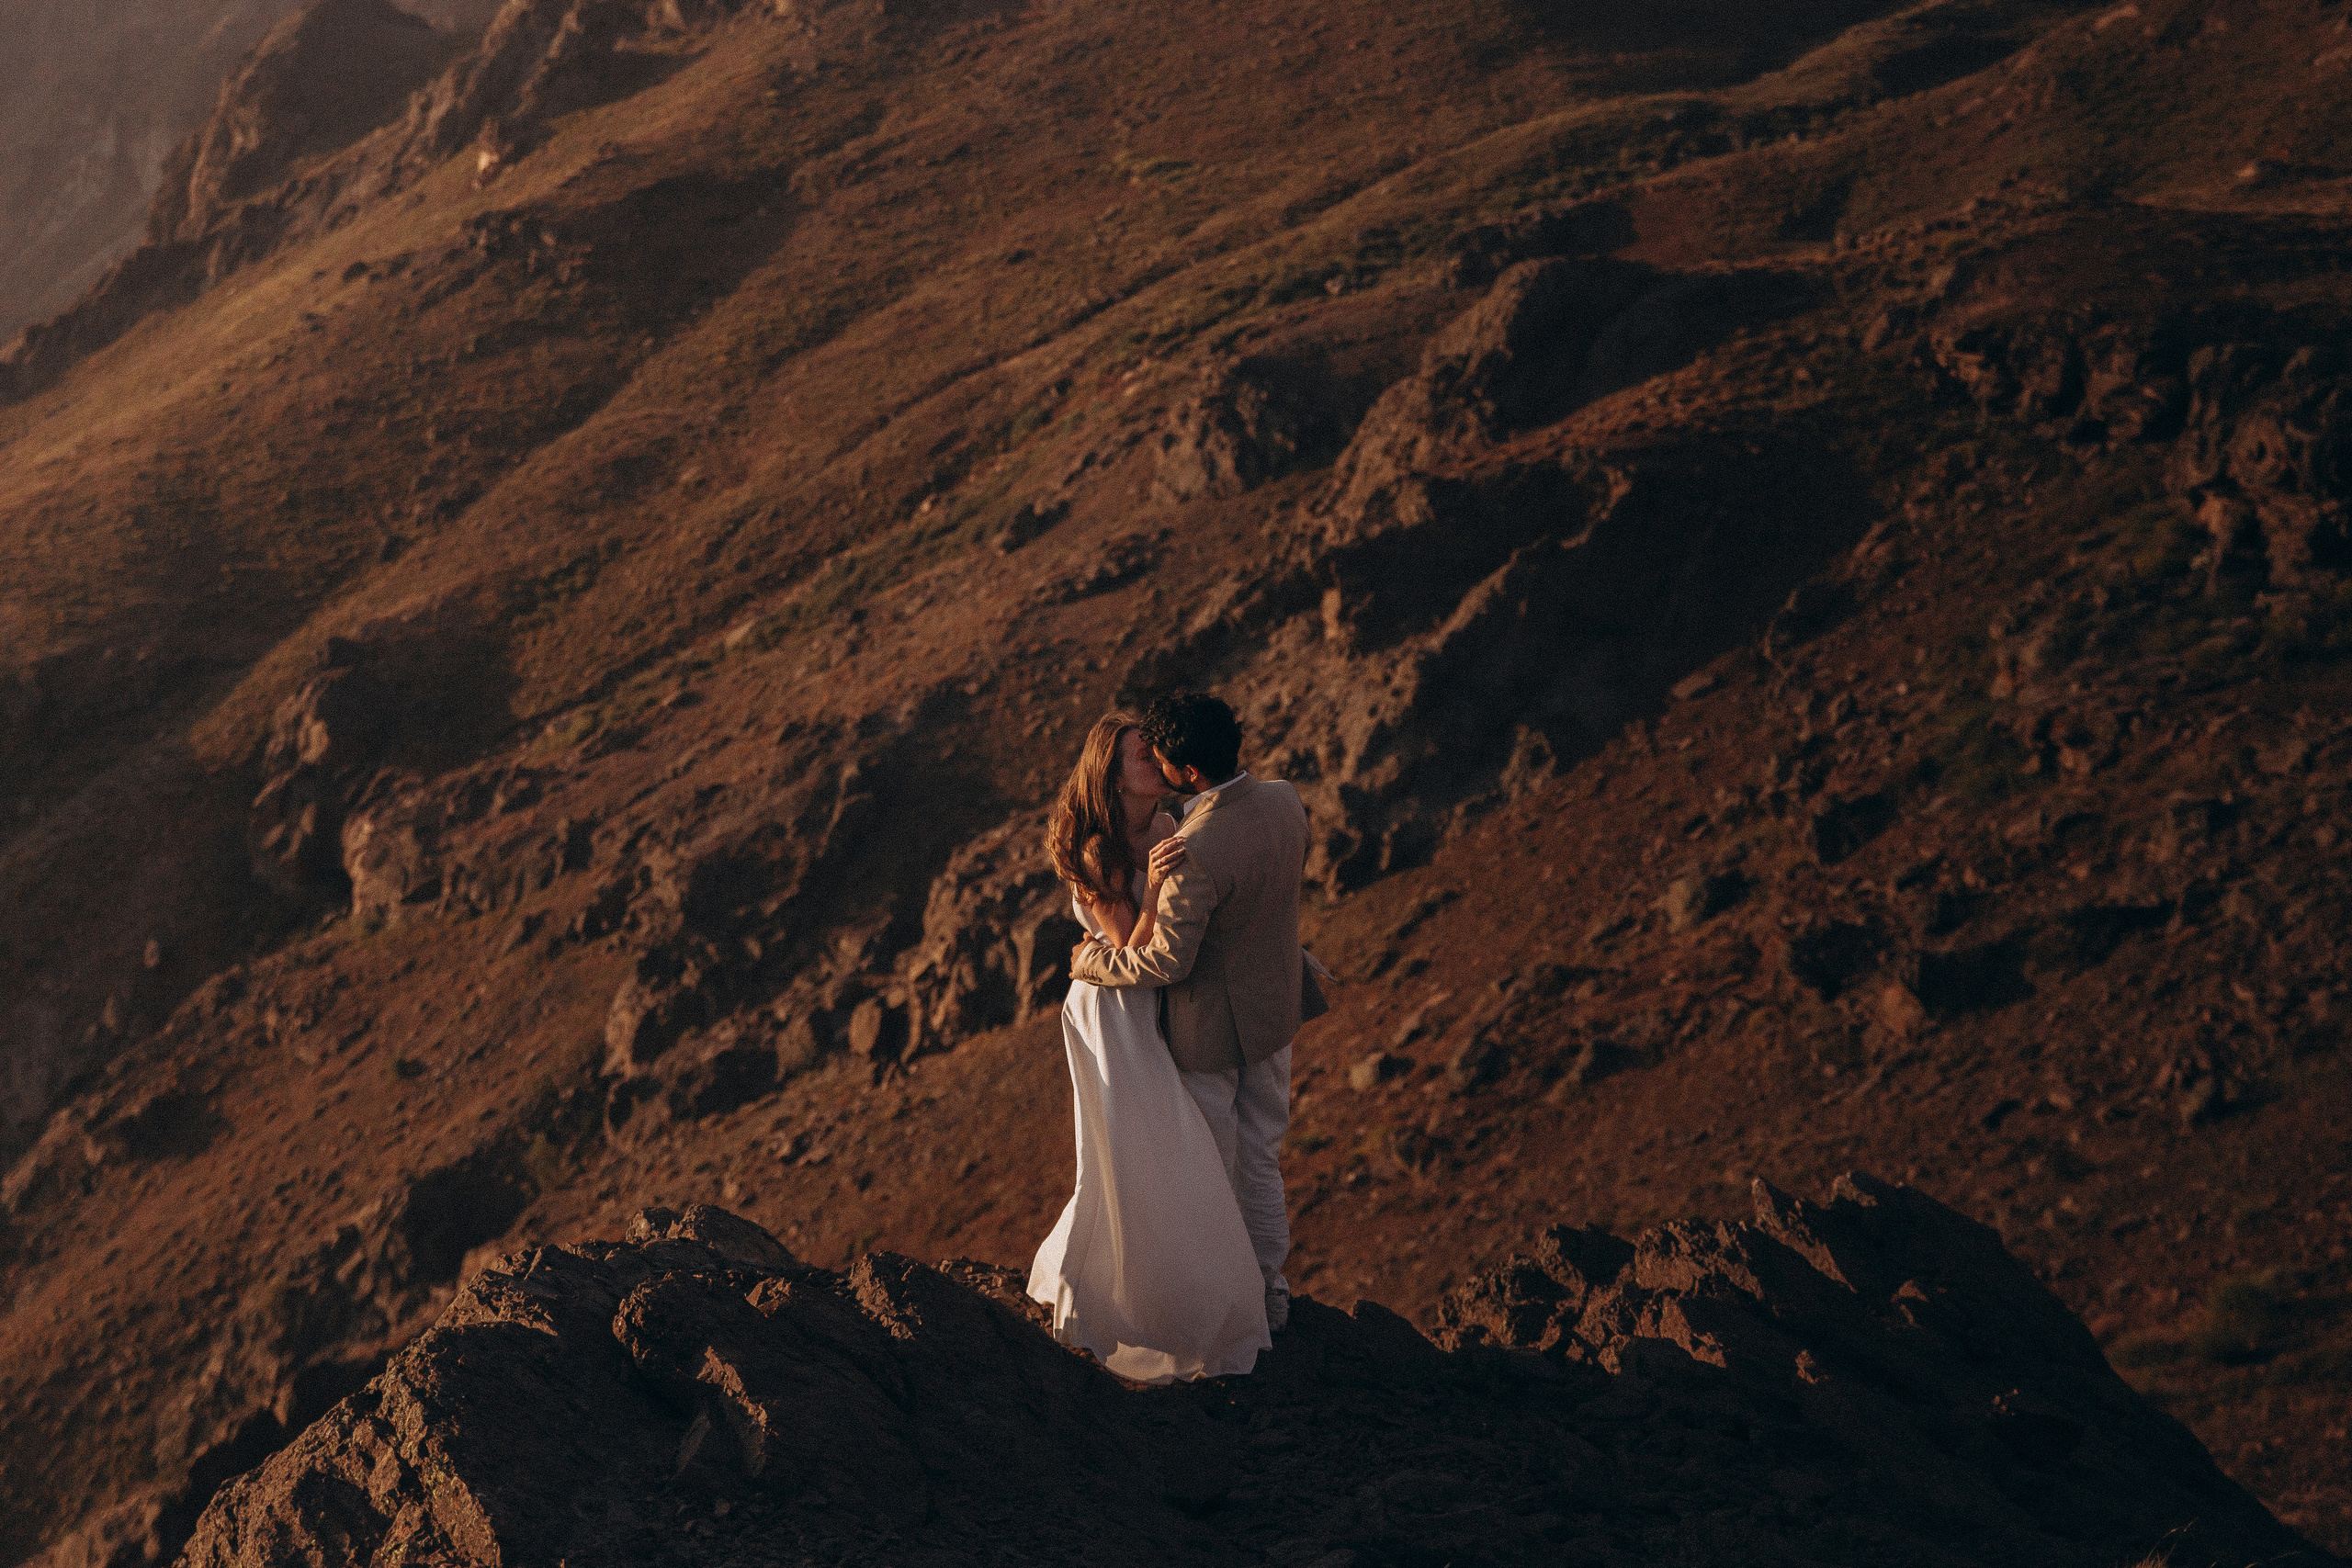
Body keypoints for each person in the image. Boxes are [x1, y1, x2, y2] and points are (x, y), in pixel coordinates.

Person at [1067, 690, 1324, 1335]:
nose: (1153, 762)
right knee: (1255, 1159)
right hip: (1267, 1011)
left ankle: (1233, 1302)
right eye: (1139, 755)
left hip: (1207, 1029)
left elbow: (1161, 962)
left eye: (1159, 755)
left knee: (1216, 1168)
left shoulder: (1192, 844)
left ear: (1185, 770)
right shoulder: (1286, 798)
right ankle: (1267, 1289)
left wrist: (1084, 962)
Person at [1024, 711, 1271, 1382]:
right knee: (1131, 1153)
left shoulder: (1165, 824)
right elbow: (1132, 948)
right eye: (1142, 754)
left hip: (1149, 1003)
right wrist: (1158, 881)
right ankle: (1105, 1299)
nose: (1157, 761)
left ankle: (1182, 1304)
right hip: (1112, 1009)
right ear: (1112, 772)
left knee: (1165, 1150)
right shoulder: (1096, 848)